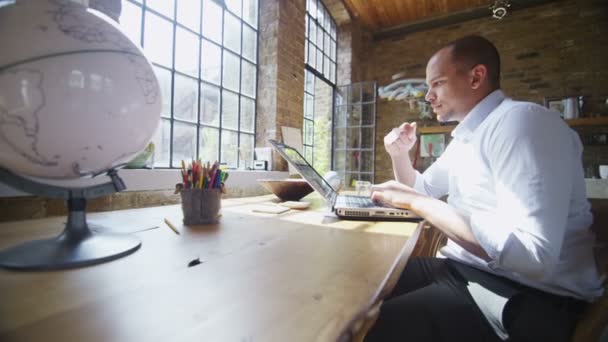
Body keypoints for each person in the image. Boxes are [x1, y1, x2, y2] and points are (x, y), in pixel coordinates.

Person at [364, 35, 604, 342]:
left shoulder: (522, 123)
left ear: (476, 76)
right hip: (463, 269)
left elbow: (533, 259)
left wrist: (422, 206)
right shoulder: (470, 136)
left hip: (530, 297)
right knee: (361, 284)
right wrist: (399, 154)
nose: (428, 96)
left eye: (437, 83)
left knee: (376, 327)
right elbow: (422, 189)